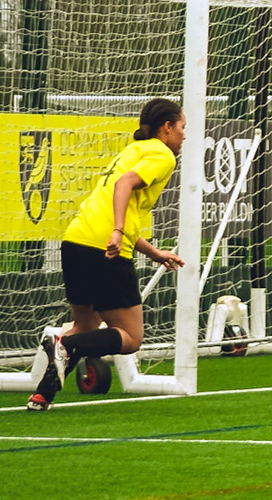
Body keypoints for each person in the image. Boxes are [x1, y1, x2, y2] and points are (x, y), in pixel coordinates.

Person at [28, 98, 187, 410]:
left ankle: (42, 395)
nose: (184, 135)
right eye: (182, 127)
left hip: (76, 240)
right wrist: (117, 231)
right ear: (167, 127)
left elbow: (118, 206)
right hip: (106, 249)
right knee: (131, 337)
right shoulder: (162, 155)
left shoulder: (132, 151)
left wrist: (152, 252)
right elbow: (124, 185)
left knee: (85, 328)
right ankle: (63, 344)